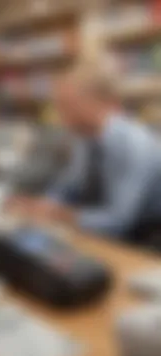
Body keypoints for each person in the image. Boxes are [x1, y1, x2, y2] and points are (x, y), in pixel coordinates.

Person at [14, 65, 161, 246]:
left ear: (97, 102)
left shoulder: (134, 145)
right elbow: (69, 185)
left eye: (65, 104)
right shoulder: (85, 139)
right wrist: (45, 204)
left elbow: (119, 221)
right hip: (99, 233)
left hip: (143, 241)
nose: (58, 114)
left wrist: (62, 215)